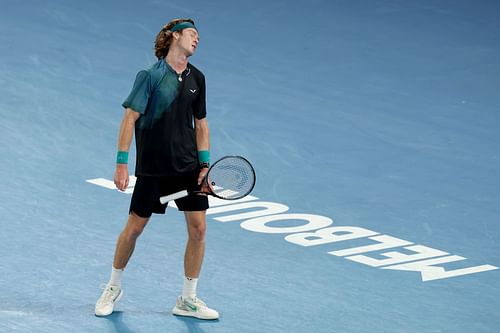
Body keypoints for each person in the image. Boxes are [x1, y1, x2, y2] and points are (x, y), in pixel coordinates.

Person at [94, 18, 219, 320]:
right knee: (134, 228)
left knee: (199, 230)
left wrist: (204, 164)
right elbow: (129, 119)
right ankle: (112, 286)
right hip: (153, 169)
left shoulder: (197, 78)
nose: (197, 39)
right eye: (192, 34)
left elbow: (201, 124)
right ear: (175, 36)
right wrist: (122, 164)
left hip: (188, 167)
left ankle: (187, 299)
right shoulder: (149, 76)